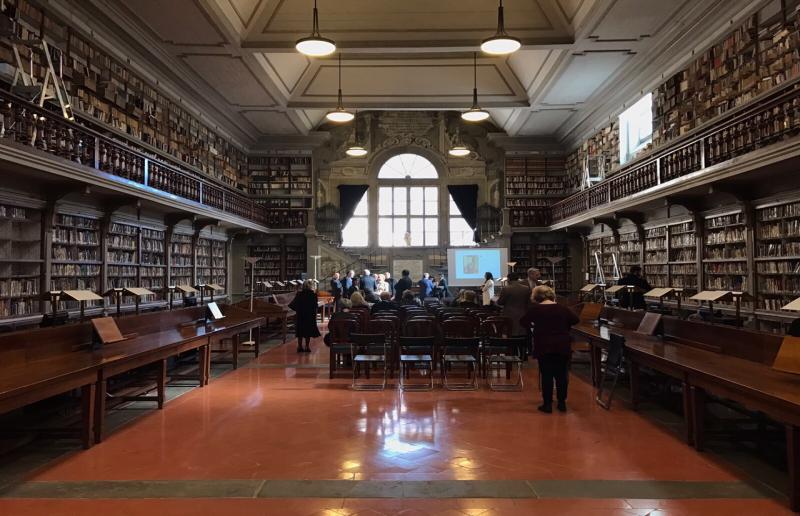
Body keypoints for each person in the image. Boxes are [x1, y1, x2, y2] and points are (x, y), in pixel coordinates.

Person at [520, 286, 579, 414]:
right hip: (562, 344)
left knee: (546, 374)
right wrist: (564, 326)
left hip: (543, 344)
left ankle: (547, 404)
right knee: (561, 375)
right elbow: (576, 320)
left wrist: (534, 326)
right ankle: (562, 403)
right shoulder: (563, 309)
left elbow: (523, 322)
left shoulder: (536, 310)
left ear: (536, 297)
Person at [288, 279, 321, 353]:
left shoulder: (299, 294)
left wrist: (298, 310)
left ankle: (299, 346)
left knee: (300, 331)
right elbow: (315, 306)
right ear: (311, 286)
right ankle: (307, 346)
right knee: (307, 331)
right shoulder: (313, 295)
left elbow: (293, 305)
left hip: (300, 315)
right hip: (309, 315)